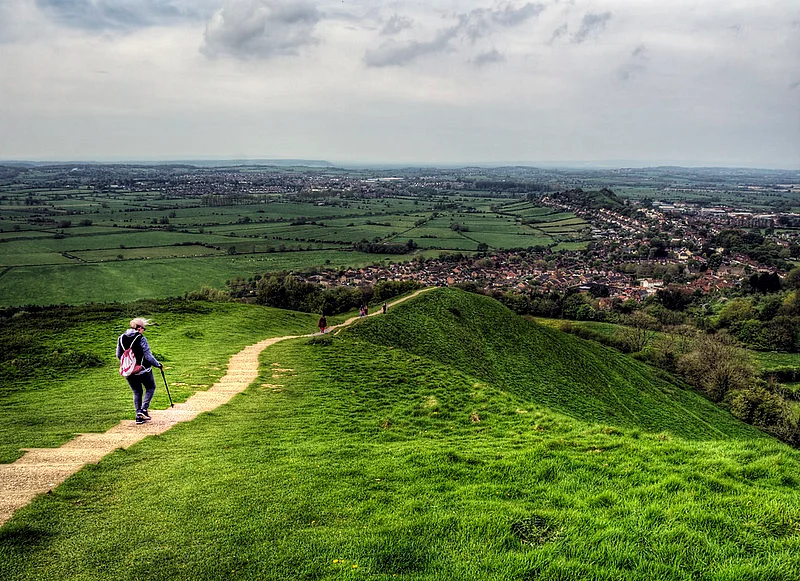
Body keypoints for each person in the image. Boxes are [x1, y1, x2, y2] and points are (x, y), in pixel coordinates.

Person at [117, 317, 162, 425]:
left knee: (137, 392)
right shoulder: (141, 338)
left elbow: (118, 355)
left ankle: (138, 415)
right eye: (143, 328)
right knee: (151, 388)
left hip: (129, 371)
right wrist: (158, 364)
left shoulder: (121, 338)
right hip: (143, 369)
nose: (143, 330)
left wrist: (129, 364)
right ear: (139, 328)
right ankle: (144, 410)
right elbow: (148, 356)